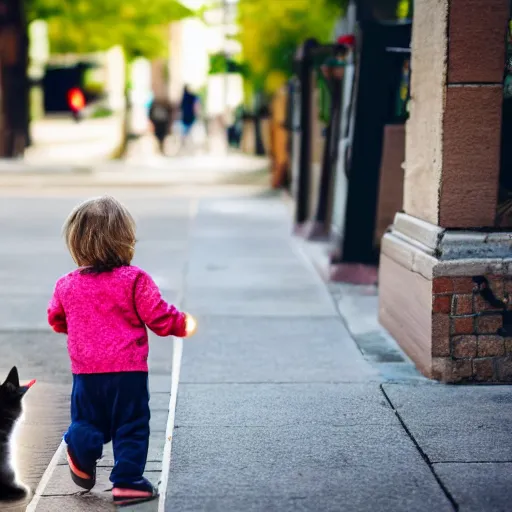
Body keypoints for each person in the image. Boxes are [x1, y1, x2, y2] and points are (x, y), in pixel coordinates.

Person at [47, 195, 196, 506]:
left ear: (76, 241)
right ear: (125, 239)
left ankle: (79, 445)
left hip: (87, 373)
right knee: (132, 425)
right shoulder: (135, 280)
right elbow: (158, 316)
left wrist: (77, 330)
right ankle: (127, 483)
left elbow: (56, 318)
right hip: (128, 373)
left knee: (87, 420)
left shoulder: (66, 285)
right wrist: (182, 324)